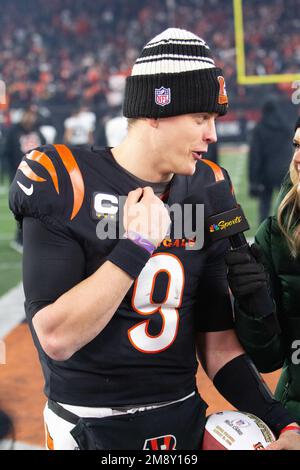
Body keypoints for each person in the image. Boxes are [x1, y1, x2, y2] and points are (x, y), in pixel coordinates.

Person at [9, 28, 300, 450]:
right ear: (156, 111)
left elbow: (216, 346)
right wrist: (136, 246)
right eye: (202, 118)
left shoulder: (209, 187)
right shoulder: (65, 180)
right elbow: (56, 337)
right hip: (89, 430)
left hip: (182, 418)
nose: (212, 135)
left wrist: (282, 421)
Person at [225, 116, 300, 449]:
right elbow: (268, 357)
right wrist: (253, 302)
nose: (297, 158)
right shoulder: (277, 233)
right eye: (297, 145)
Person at [3, 104, 46, 253]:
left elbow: (46, 150)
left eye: (32, 115)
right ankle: (20, 238)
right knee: (22, 208)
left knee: (35, 208)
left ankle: (27, 237)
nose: (30, 118)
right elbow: (6, 152)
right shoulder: (13, 131)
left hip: (36, 176)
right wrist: (12, 172)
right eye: (27, 115)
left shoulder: (38, 131)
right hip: (19, 174)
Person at [248, 97, 293, 223]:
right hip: (284, 171)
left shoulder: (259, 128)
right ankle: (287, 234)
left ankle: (263, 237)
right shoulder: (286, 126)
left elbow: (255, 156)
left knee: (264, 207)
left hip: (266, 173)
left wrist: (253, 180)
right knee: (286, 206)